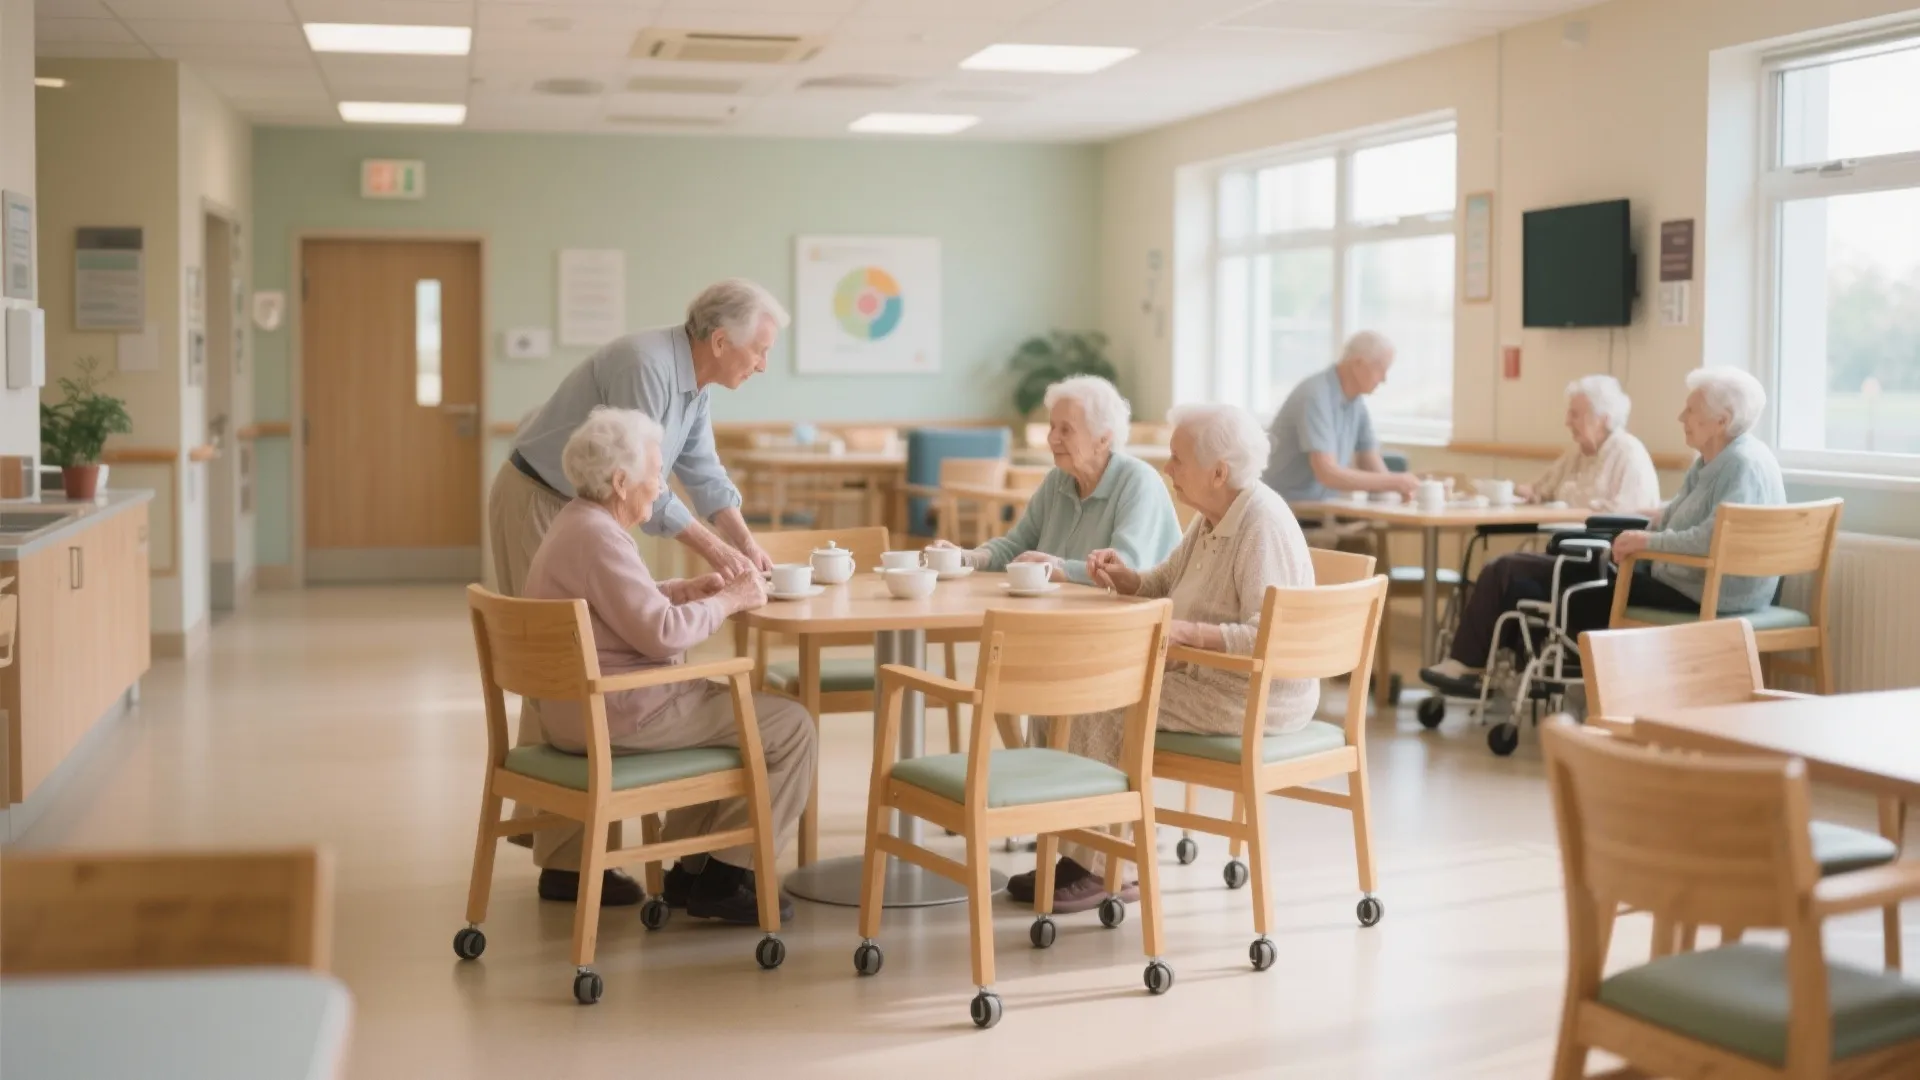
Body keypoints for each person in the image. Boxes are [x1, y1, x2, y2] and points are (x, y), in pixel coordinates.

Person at [494, 279, 786, 905]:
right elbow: (637, 485)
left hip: (578, 506)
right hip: (543, 498)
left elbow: (703, 473)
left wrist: (744, 544)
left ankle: (576, 854)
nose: (763, 364)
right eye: (759, 351)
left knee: (584, 660)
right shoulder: (646, 367)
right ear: (720, 340)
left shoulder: (693, 383)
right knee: (560, 665)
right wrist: (723, 562)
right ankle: (569, 862)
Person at [1005, 404, 1319, 913]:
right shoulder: (1214, 516)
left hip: (1253, 694)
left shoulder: (1260, 523)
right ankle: (1078, 852)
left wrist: (1189, 633)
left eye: (1177, 459)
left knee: (1099, 701)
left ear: (1218, 472)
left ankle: (1104, 867)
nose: (1167, 470)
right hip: (1207, 681)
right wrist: (1124, 577)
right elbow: (1162, 583)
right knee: (1073, 693)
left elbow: (1272, 635)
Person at [521, 407, 817, 925]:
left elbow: (617, 606)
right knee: (791, 726)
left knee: (736, 718)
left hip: (575, 712)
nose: (660, 488)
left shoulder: (578, 523)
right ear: (620, 482)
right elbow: (661, 634)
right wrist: (732, 600)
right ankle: (726, 879)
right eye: (656, 474)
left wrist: (684, 590)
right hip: (622, 712)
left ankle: (693, 871)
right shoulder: (600, 538)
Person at [1421, 367, 1784, 696]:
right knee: (1523, 573)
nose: (1680, 417)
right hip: (1684, 579)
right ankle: (1498, 670)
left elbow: (1717, 538)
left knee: (1549, 584)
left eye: (1690, 410)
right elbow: (1670, 515)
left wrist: (1646, 541)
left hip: (1710, 590)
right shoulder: (1711, 459)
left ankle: (1499, 670)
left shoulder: (1742, 464)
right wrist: (1642, 529)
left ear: (1721, 420)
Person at [928, 375, 1180, 584]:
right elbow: (1016, 546)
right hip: (1063, 615)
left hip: (1119, 627)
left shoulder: (1137, 482)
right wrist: (966, 558)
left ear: (1103, 439)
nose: (1052, 438)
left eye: (1065, 430)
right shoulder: (1058, 480)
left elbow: (1125, 569)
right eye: (1052, 427)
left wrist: (1059, 567)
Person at [1261, 331, 1423, 504]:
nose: (1383, 379)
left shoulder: (1356, 402)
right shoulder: (1315, 395)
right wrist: (1395, 482)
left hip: (1321, 506)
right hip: (1285, 507)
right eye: (1380, 369)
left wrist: (1407, 488)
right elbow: (1327, 474)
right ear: (1358, 364)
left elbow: (1372, 464)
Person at [1517, 375, 1660, 511]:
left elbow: (1631, 513)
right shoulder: (1577, 453)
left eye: (1575, 415)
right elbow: (1539, 489)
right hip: (1568, 533)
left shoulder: (1628, 452)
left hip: (1607, 536)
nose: (1567, 422)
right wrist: (1526, 492)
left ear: (1602, 419)